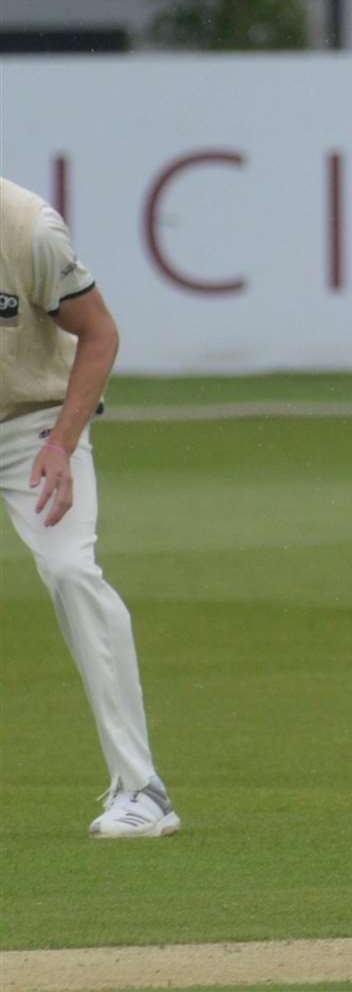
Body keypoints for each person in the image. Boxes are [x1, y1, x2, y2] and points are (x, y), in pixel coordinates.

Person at [0, 176, 180, 839]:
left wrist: (60, 444)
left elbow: (99, 334)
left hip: (33, 426)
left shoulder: (29, 230)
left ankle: (143, 791)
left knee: (71, 572)